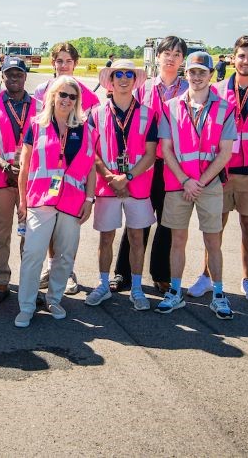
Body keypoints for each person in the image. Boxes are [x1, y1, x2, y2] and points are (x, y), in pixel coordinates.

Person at [188, 36, 248, 302]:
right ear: (233, 58)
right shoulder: (218, 89)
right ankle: (207, 276)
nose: (245, 61)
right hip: (221, 169)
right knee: (214, 226)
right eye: (241, 56)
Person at [156, 52, 237, 320]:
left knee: (213, 241)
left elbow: (225, 154)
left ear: (211, 75)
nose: (197, 77)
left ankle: (219, 294)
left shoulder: (224, 109)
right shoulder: (170, 107)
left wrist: (199, 182)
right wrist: (185, 181)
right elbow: (166, 149)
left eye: (203, 72)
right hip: (178, 184)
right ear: (186, 74)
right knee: (177, 241)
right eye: (193, 72)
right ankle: (175, 291)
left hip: (208, 186)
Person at [15, 76, 96, 327]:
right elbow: (24, 167)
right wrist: (22, 202)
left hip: (72, 202)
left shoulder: (86, 129)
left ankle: (54, 299)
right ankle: (26, 306)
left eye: (72, 96)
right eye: (63, 94)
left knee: (65, 255)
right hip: (40, 201)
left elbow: (91, 167)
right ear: (52, 96)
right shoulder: (36, 125)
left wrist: (90, 199)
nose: (67, 100)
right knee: (33, 253)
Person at [112, 36, 189, 294]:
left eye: (177, 54)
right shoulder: (143, 88)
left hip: (174, 166)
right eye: (167, 52)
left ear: (182, 60)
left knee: (167, 221)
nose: (171, 57)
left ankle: (161, 273)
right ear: (157, 57)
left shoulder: (189, 88)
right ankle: (123, 272)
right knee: (138, 219)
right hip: (146, 163)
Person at [85, 60, 157, 311]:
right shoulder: (95, 113)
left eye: (129, 74)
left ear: (135, 80)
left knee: (137, 237)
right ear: (111, 80)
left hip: (137, 187)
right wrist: (110, 178)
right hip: (107, 188)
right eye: (119, 74)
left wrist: (126, 178)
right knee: (106, 238)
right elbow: (91, 152)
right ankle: (104, 285)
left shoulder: (148, 113)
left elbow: (151, 154)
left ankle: (136, 288)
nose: (124, 79)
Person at [33, 41, 100, 295]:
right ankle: (50, 266)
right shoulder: (41, 90)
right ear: (53, 63)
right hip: (47, 172)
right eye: (59, 61)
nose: (63, 65)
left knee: (68, 227)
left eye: (68, 61)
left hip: (73, 170)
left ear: (75, 64)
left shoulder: (84, 92)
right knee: (49, 222)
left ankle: (66, 270)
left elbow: (89, 131)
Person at [0, 57, 41, 304]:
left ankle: (29, 284)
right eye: (9, 74)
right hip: (3, 178)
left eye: (19, 74)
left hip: (32, 181)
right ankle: (1, 280)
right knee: (1, 232)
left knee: (31, 234)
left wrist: (25, 169)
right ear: (2, 77)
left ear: (25, 77)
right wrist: (4, 165)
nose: (14, 79)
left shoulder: (39, 107)